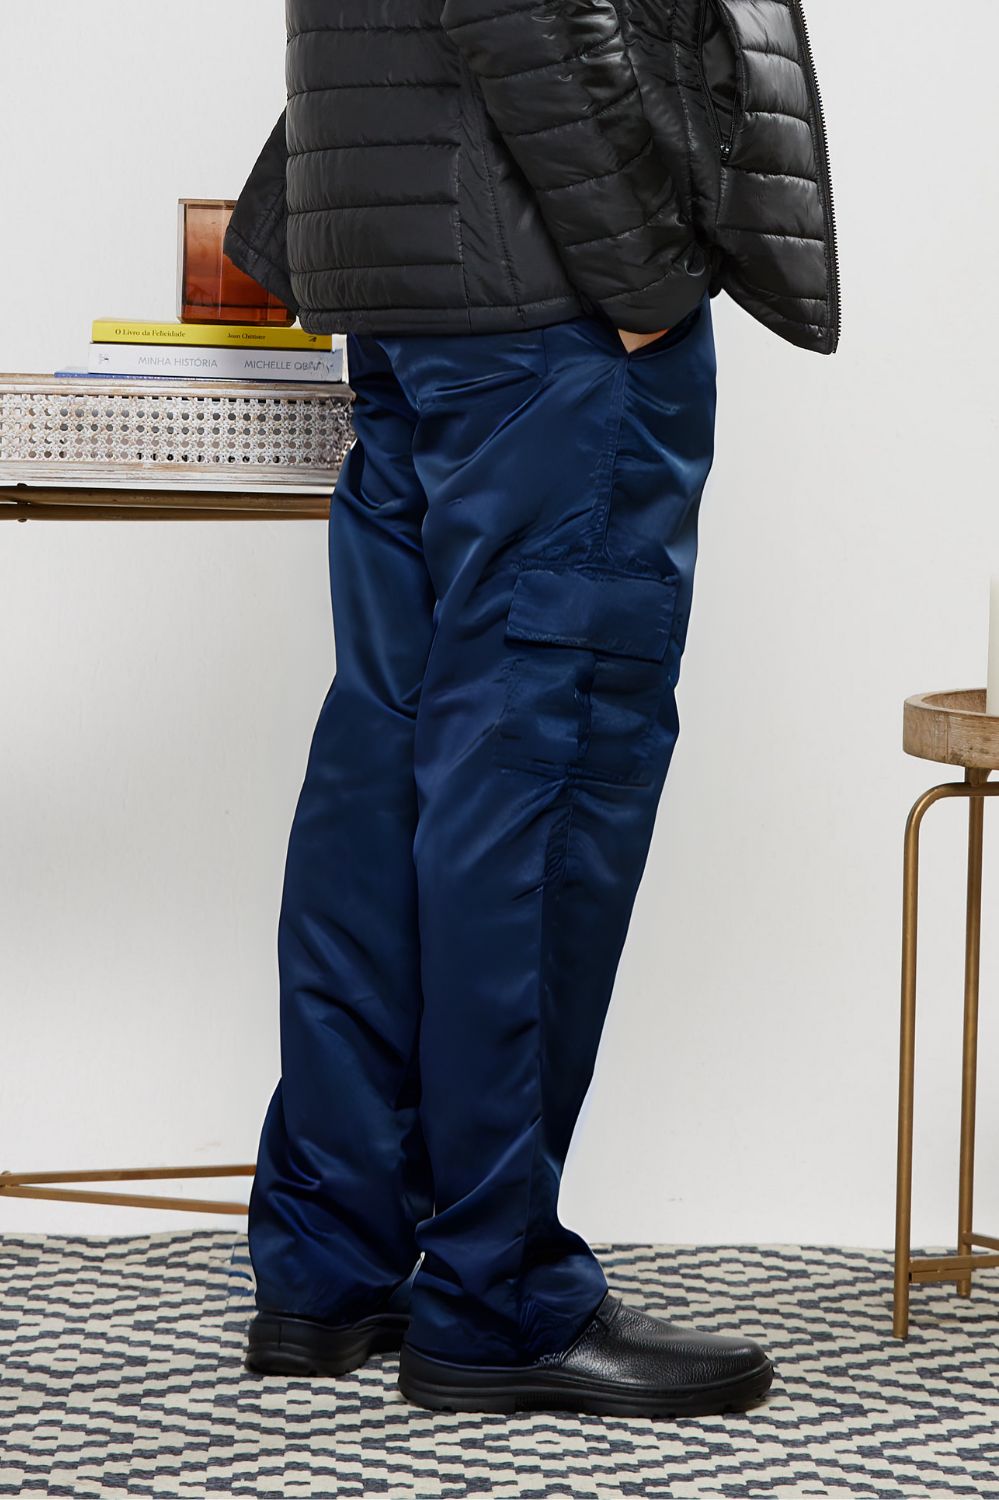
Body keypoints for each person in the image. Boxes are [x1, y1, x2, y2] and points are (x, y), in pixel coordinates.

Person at [223, 0, 839, 1417]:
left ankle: (333, 1257)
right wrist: (644, 272)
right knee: (542, 772)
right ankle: (495, 1292)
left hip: (407, 281)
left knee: (387, 770)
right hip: (545, 300)